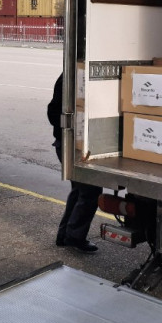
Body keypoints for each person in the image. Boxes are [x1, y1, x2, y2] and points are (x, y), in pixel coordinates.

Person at [48, 74, 102, 253]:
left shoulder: (71, 74)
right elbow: (53, 112)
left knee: (79, 190)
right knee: (90, 191)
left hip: (67, 145)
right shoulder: (73, 77)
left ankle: (64, 236)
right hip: (70, 147)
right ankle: (74, 237)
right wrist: (71, 132)